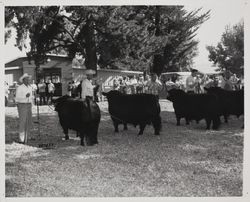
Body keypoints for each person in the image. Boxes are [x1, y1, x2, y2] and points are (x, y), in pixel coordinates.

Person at [15, 73, 33, 144]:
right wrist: (25, 96)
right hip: (22, 105)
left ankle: (27, 137)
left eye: (29, 79)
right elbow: (17, 99)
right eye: (27, 79)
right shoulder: (20, 87)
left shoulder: (30, 87)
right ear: (23, 80)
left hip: (29, 105)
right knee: (23, 121)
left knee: (29, 121)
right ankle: (21, 139)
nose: (29, 80)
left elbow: (30, 97)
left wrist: (33, 98)